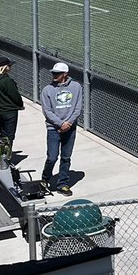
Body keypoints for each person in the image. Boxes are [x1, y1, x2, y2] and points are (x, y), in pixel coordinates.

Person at [41, 61, 82, 196]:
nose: (54, 75)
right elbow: (47, 111)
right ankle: (45, 179)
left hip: (70, 128)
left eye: (57, 73)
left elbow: (77, 108)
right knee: (52, 157)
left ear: (65, 74)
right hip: (54, 128)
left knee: (66, 157)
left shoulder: (76, 87)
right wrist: (60, 124)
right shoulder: (47, 90)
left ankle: (63, 183)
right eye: (53, 73)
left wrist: (68, 123)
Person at [0, 56, 24, 147]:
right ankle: (6, 157)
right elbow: (15, 96)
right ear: (5, 67)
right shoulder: (7, 81)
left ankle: (2, 154)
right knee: (9, 137)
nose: (10, 67)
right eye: (9, 66)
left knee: (3, 134)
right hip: (9, 112)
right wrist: (20, 105)